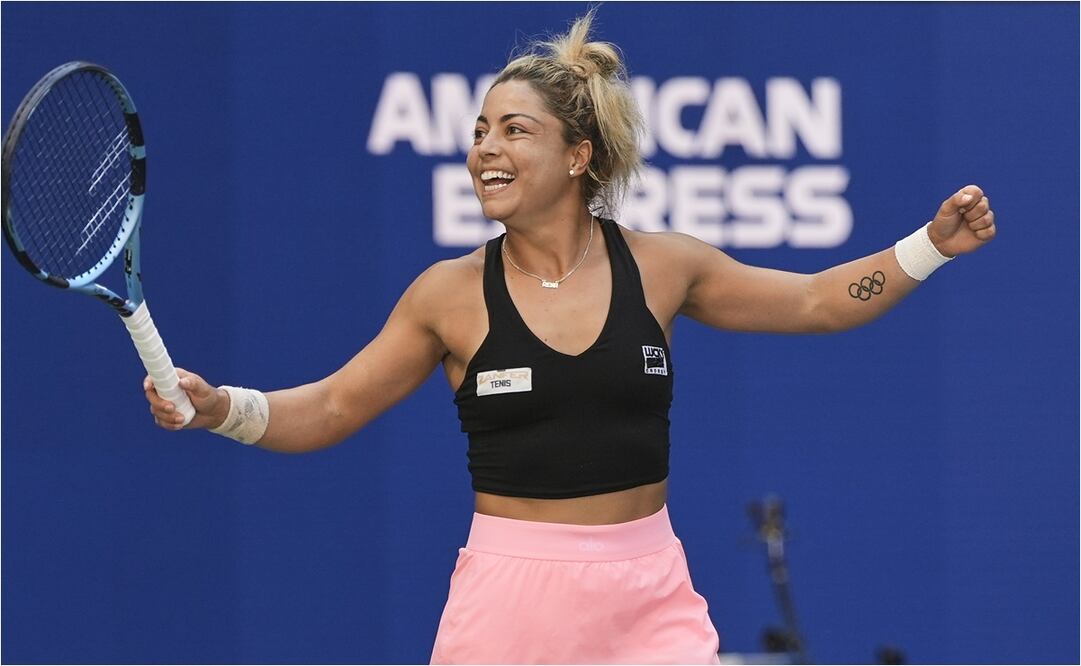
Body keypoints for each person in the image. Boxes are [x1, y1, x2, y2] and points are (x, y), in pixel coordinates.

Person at [143, 11, 996, 665]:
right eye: (479, 131)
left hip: (651, 598)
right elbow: (331, 407)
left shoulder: (664, 267)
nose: (486, 149)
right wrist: (224, 409)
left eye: (514, 130)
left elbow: (815, 302)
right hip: (508, 605)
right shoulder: (446, 295)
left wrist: (929, 245)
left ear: (578, 156)